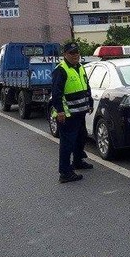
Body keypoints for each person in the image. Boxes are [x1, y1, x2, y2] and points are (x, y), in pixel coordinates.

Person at [51, 42, 94, 183]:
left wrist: (90, 102)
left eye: (76, 52)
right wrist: (60, 111)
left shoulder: (80, 67)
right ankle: (65, 172)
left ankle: (77, 161)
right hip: (68, 114)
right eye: (71, 53)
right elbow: (56, 93)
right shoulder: (61, 70)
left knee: (81, 137)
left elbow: (86, 86)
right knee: (67, 143)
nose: (75, 55)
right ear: (65, 55)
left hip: (80, 112)